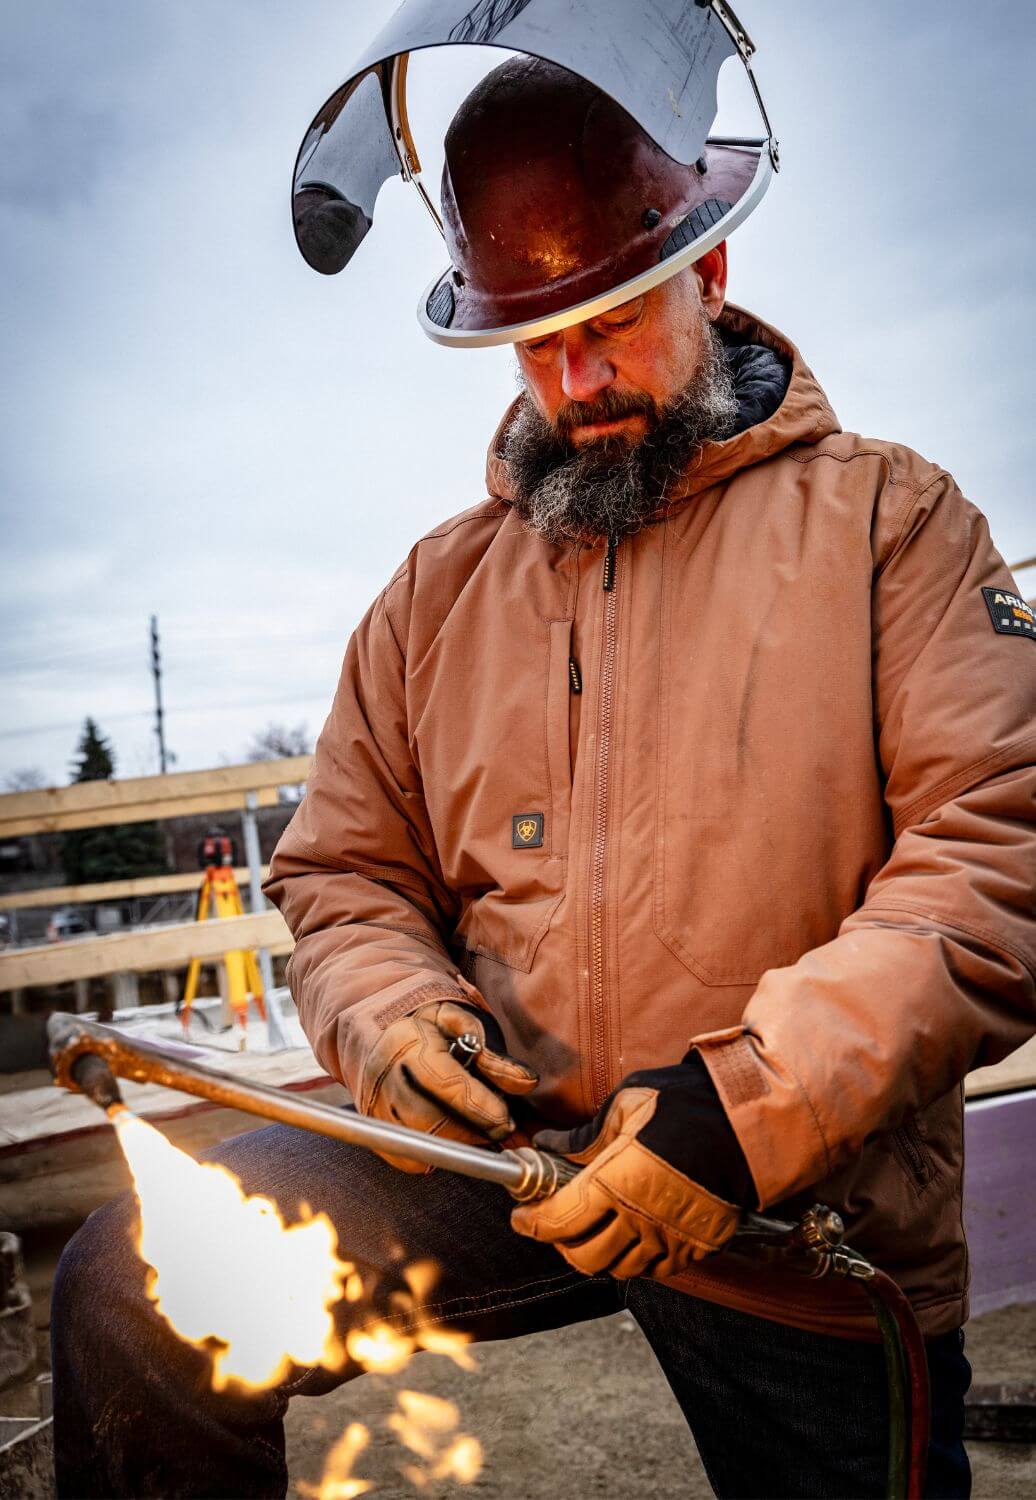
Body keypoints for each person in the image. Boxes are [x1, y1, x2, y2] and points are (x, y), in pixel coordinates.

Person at [52, 56, 1035, 1500]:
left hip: (784, 1207)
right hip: (495, 1169)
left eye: (615, 320)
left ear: (711, 263)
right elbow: (343, 872)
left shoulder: (896, 527)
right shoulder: (436, 594)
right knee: (130, 1290)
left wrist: (740, 1114)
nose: (576, 381)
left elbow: (995, 859)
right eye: (535, 342)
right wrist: (394, 1023)